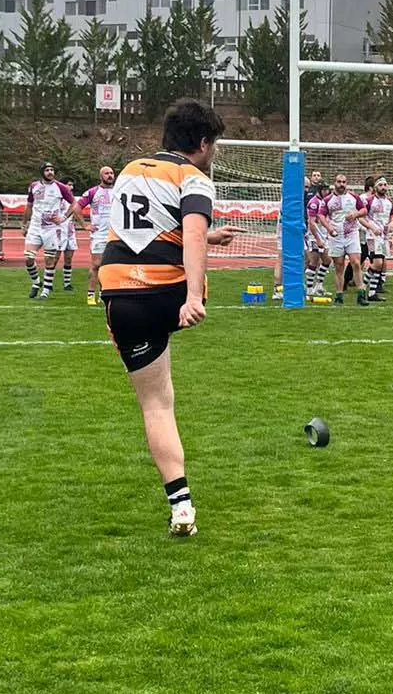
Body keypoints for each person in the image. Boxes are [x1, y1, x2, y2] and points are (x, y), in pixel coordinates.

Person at [99, 98, 239, 537]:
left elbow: (137, 232)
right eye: (213, 146)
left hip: (119, 291)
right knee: (164, 400)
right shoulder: (192, 176)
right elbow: (191, 231)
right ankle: (181, 510)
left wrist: (205, 236)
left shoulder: (128, 170)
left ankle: (181, 506)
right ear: (201, 143)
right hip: (166, 292)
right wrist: (193, 295)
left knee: (155, 404)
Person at [23, 162, 76, 299]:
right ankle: (36, 282)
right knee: (28, 258)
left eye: (52, 169)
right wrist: (24, 224)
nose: (50, 172)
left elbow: (74, 203)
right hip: (35, 226)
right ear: (42, 172)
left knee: (49, 260)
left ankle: (46, 291)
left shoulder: (61, 187)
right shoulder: (34, 186)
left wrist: (63, 217)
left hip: (51, 229)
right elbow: (29, 205)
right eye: (47, 170)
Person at [324, 174, 370, 306]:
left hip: (351, 234)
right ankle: (339, 295)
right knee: (339, 266)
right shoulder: (328, 200)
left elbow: (364, 210)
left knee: (356, 262)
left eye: (344, 182)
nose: (341, 184)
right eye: (339, 182)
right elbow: (321, 215)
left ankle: (361, 293)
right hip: (336, 236)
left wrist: (355, 214)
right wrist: (329, 227)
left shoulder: (353, 197)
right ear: (335, 183)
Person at [75, 165, 116, 305]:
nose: (110, 175)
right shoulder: (93, 192)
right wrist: (84, 225)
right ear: (101, 176)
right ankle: (90, 295)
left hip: (116, 235)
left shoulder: (119, 191)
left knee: (111, 266)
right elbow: (76, 207)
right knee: (96, 265)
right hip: (99, 234)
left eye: (111, 173)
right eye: (106, 173)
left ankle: (104, 293)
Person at [362, 176, 393, 301]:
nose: (383, 187)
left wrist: (392, 223)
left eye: (385, 185)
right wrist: (371, 227)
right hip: (372, 236)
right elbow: (361, 217)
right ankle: (362, 287)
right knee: (377, 263)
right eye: (380, 185)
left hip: (384, 236)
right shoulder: (369, 200)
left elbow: (392, 216)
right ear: (375, 187)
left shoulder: (389, 201)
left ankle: (372, 293)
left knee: (381, 264)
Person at [305, 182, 334, 297]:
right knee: (314, 261)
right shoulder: (314, 203)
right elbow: (311, 222)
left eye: (328, 190)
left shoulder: (326, 201)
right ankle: (309, 288)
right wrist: (317, 239)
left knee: (327, 260)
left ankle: (319, 285)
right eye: (325, 190)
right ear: (319, 190)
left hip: (324, 234)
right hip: (314, 235)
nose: (327, 192)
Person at [58, 179, 80, 292]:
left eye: (72, 184)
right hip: (59, 230)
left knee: (68, 258)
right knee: (55, 257)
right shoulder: (59, 197)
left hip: (70, 230)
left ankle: (67, 284)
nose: (71, 187)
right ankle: (49, 283)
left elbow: (76, 211)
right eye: (69, 184)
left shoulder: (73, 200)